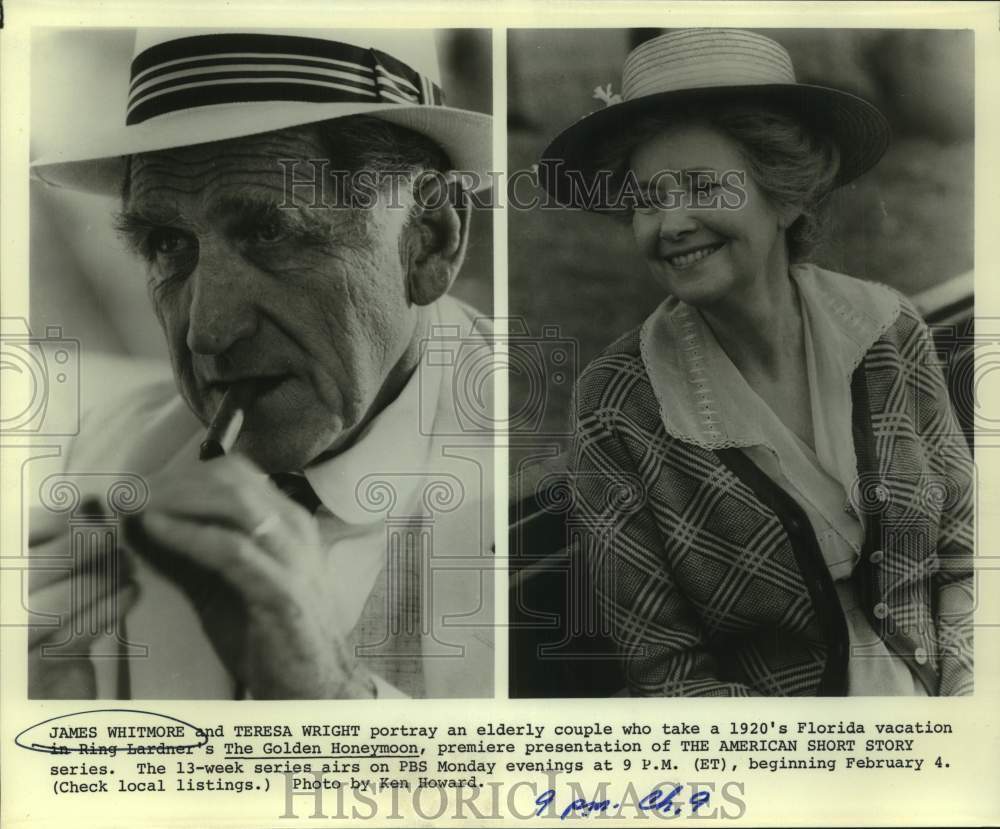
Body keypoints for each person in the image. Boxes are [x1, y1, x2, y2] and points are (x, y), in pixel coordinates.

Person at [27, 28, 494, 700]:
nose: (208, 331)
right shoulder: (114, 454)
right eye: (167, 243)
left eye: (269, 231)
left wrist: (328, 698)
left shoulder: (551, 493)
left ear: (428, 241)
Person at [541, 28, 973, 696]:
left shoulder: (889, 328)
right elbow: (670, 674)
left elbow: (965, 554)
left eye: (703, 186)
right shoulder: (618, 405)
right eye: (648, 199)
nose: (671, 222)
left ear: (787, 194)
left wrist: (964, 695)